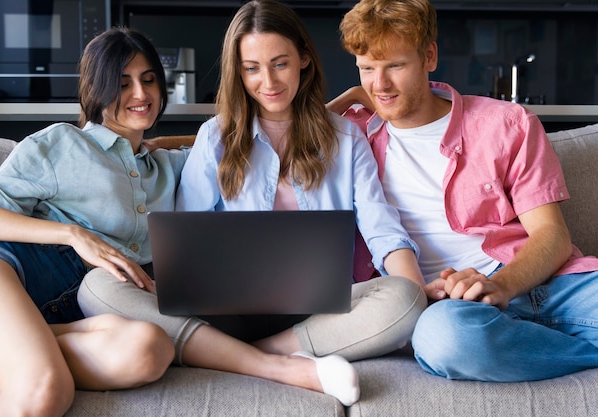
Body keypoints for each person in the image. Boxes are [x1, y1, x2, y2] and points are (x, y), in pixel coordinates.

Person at [78, 0, 427, 406]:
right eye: (252, 68)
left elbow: (383, 231)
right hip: (222, 312)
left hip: (317, 316)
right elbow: (188, 235)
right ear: (238, 72)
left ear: (304, 61)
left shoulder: (347, 140)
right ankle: (274, 363)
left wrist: (415, 295)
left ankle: (244, 355)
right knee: (97, 287)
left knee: (404, 298)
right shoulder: (216, 136)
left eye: (280, 64)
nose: (268, 82)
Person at [328, 0, 598, 382]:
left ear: (430, 56)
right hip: (452, 310)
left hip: (546, 286)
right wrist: (353, 96)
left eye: (396, 66)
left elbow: (552, 236)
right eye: (367, 68)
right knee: (445, 342)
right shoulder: (353, 137)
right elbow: (280, 139)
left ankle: (522, 345)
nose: (381, 84)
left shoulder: (505, 123)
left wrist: (501, 285)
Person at [0, 27, 187, 416]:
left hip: (72, 308)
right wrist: (73, 234)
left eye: (149, 79)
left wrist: (158, 143)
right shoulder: (62, 143)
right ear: (97, 89)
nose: (140, 94)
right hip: (2, 269)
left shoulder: (165, 169)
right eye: (123, 84)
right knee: (44, 393)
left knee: (149, 351)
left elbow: (234, 138)